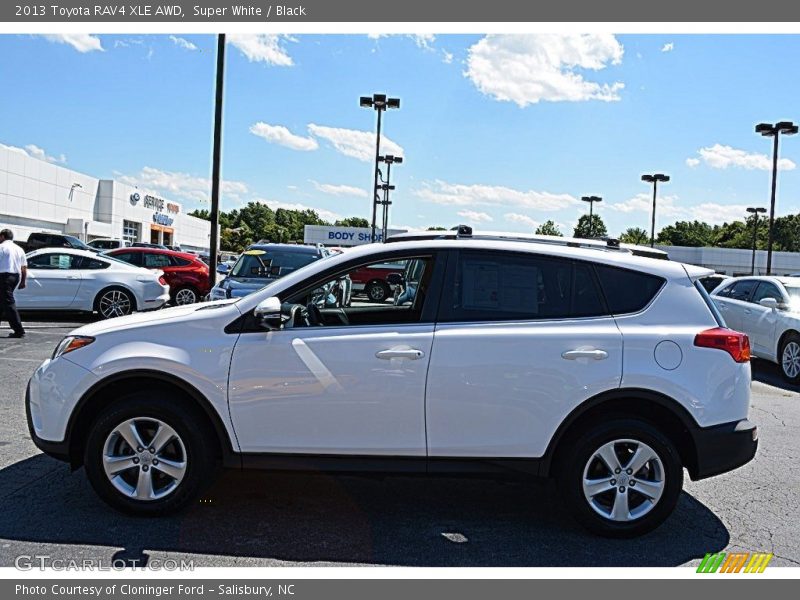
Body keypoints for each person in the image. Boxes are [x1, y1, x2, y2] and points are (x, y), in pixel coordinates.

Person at [0, 229, 27, 338]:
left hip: (3, 276)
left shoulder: (1, 247)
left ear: (2, 236)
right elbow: (24, 267)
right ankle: (18, 329)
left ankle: (19, 329)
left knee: (8, 303)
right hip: (15, 277)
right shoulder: (19, 249)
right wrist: (23, 281)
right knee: (2, 302)